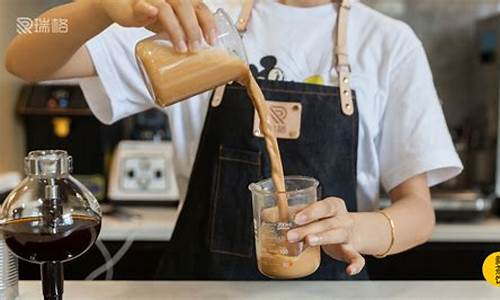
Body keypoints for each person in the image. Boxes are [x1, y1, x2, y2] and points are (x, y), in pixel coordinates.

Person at [5, 0, 463, 280]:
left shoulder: (388, 42)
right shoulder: (199, 23)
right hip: (202, 288)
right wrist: (97, 7)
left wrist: (358, 229)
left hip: (330, 287)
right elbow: (25, 53)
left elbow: (419, 212)